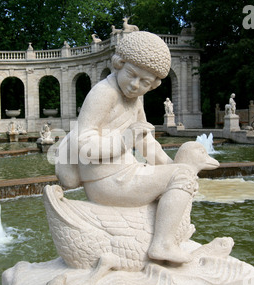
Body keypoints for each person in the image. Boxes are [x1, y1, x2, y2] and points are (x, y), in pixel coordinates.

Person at [56, 31, 219, 264]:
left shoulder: (135, 99)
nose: (135, 85)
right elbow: (84, 144)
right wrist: (124, 141)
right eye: (132, 75)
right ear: (119, 64)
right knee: (181, 176)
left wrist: (173, 167)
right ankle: (162, 245)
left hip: (124, 174)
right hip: (105, 182)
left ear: (153, 85)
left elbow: (146, 141)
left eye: (144, 82)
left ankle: (162, 237)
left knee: (181, 174)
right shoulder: (104, 93)